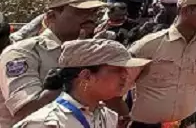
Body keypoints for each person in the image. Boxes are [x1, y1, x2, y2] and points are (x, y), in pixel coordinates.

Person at [0, 0, 106, 126]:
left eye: (94, 12)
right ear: (52, 16)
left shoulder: (91, 52)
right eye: (81, 12)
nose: (91, 18)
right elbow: (27, 111)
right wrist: (68, 74)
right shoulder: (23, 52)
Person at [128, 0, 196, 127]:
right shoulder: (150, 44)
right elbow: (119, 85)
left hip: (185, 123)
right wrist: (123, 115)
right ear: (186, 10)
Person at [12, 39, 149, 128]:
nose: (125, 75)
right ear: (86, 76)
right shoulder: (46, 123)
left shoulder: (108, 117)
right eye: (118, 69)